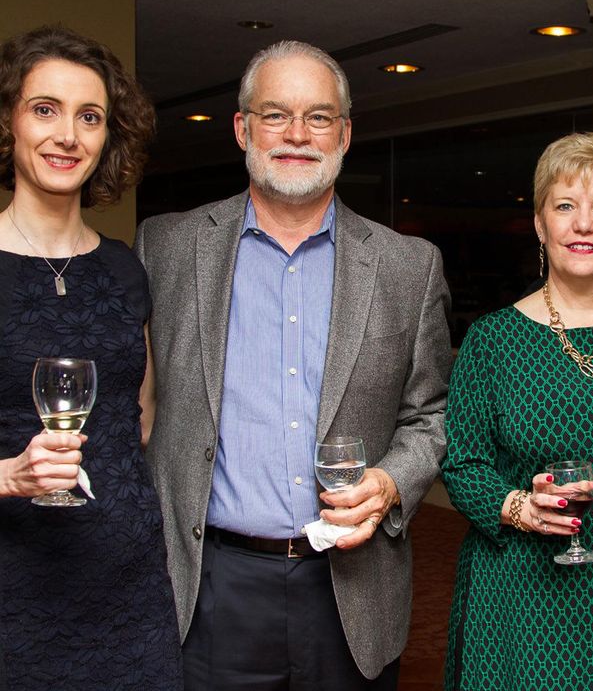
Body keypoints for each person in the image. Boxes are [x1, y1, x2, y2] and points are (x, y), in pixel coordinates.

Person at [134, 39, 451, 690]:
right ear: (242, 128)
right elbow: (128, 401)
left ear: (346, 132)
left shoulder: (406, 265)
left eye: (320, 116)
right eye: (275, 114)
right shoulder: (165, 247)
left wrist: (391, 481)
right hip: (210, 585)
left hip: (350, 589)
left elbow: (432, 415)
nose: (297, 134)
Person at [442, 131, 593, 691]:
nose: (583, 224)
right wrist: (519, 508)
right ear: (539, 224)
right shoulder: (494, 341)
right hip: (522, 610)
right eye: (565, 206)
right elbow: (461, 463)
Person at [0, 26, 181, 688]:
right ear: (9, 121)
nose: (67, 135)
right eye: (44, 109)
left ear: (110, 138)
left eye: (90, 116)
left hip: (128, 588)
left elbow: (141, 416)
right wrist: (9, 475)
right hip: (13, 592)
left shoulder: (125, 268)